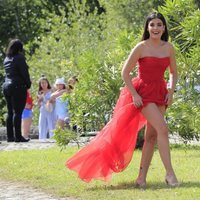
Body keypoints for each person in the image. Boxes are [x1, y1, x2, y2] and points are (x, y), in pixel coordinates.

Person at [65, 12, 179, 186]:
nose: (155, 28)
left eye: (159, 25)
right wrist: (134, 94)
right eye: (152, 25)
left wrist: (171, 91)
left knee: (151, 137)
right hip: (143, 93)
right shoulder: (141, 47)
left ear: (164, 28)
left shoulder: (168, 48)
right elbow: (125, 72)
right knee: (163, 129)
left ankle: (141, 179)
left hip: (161, 93)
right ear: (147, 28)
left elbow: (173, 72)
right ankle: (170, 174)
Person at [2, 39, 31, 142]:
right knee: (17, 112)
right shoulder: (19, 58)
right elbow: (24, 73)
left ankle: (10, 137)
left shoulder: (6, 59)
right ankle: (18, 137)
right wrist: (28, 84)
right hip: (17, 86)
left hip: (6, 86)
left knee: (10, 112)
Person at [37, 76, 55, 141]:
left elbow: (54, 101)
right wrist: (39, 100)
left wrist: (48, 100)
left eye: (44, 83)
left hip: (50, 109)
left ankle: (53, 138)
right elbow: (38, 104)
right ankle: (42, 138)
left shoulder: (51, 91)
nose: (43, 84)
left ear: (47, 83)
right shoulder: (39, 92)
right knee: (42, 123)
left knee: (51, 123)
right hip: (42, 109)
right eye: (41, 83)